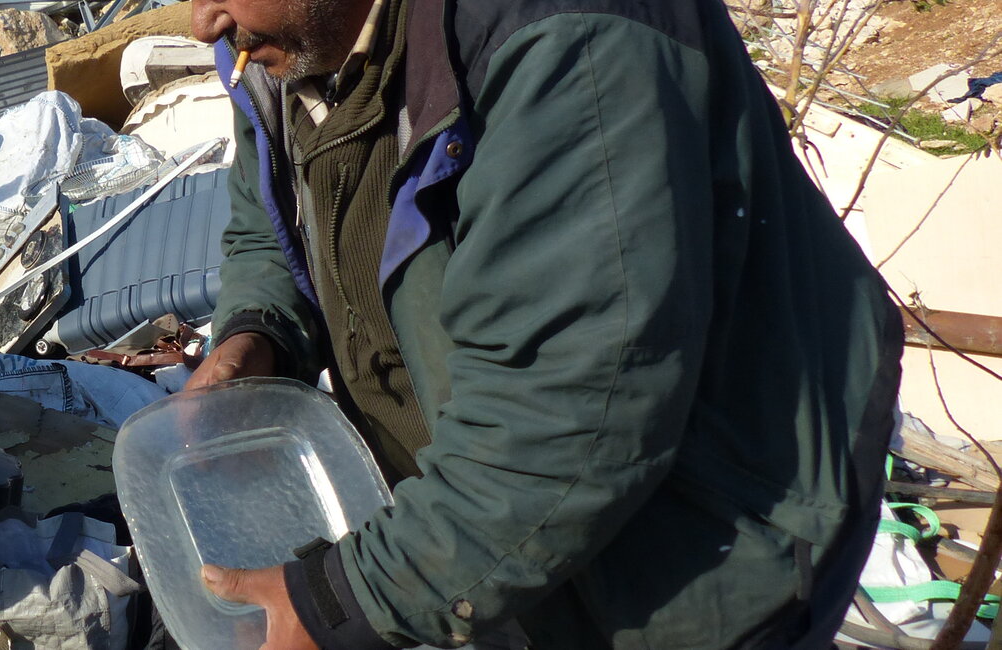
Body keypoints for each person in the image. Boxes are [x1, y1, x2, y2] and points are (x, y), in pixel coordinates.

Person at [182, 0, 905, 647]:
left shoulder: (567, 38)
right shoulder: (288, 45)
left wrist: (343, 601)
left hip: (695, 558)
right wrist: (258, 335)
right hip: (491, 540)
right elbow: (269, 227)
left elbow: (567, 412)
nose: (201, 22)